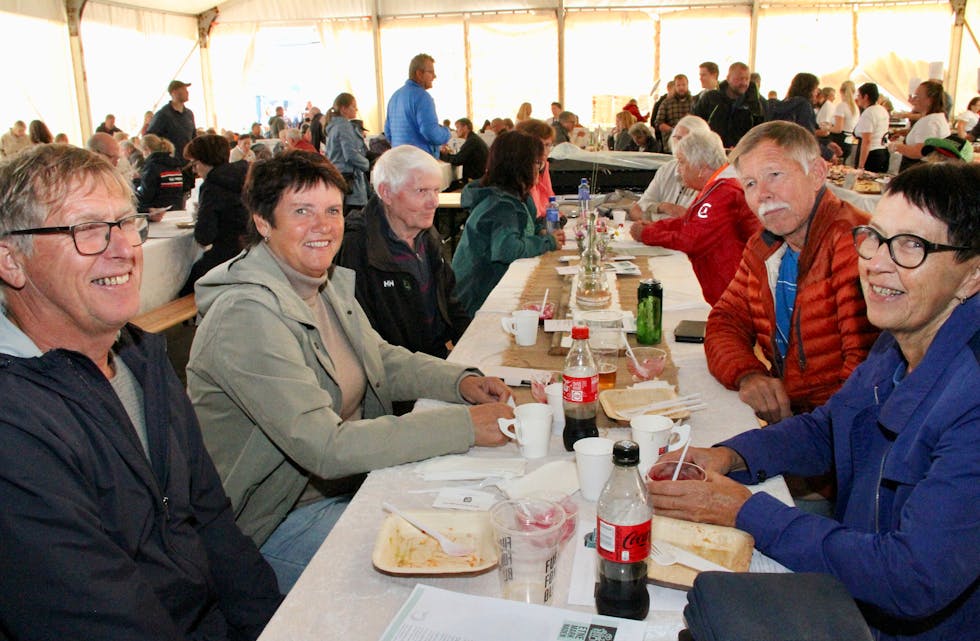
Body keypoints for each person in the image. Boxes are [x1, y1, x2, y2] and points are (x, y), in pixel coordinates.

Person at [649, 162, 980, 641]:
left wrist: (744, 510)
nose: (877, 263)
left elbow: (911, 578)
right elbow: (830, 427)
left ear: (972, 276)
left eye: (913, 245)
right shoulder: (901, 338)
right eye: (875, 237)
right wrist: (730, 456)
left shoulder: (969, 397)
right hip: (852, 583)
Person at [186, 150, 513, 591]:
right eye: (302, 211)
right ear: (263, 223)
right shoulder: (246, 315)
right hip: (275, 521)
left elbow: (381, 359)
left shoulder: (319, 284)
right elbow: (326, 447)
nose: (323, 226)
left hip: (345, 488)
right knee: (447, 574)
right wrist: (465, 426)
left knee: (487, 523)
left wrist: (460, 381)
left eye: (333, 211)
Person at [0, 144, 281, 638]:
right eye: (85, 229)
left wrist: (282, 627)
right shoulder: (15, 425)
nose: (123, 248)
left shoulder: (142, 359)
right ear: (11, 261)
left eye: (125, 222)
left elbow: (214, 526)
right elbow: (102, 618)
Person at [706, 121, 879, 425]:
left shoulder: (853, 243)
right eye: (749, 183)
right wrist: (749, 374)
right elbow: (725, 321)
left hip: (838, 435)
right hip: (798, 422)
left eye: (774, 175)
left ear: (817, 174)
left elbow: (865, 377)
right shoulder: (764, 247)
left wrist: (798, 439)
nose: (762, 195)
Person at [336, 145, 471, 359]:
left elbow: (450, 300)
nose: (433, 202)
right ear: (386, 193)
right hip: (396, 372)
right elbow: (365, 338)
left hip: (436, 357)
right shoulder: (357, 247)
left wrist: (472, 346)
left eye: (436, 190)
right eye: (421, 191)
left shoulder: (425, 233)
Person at [629, 128, 760, 306]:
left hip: (735, 295)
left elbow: (692, 239)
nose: (678, 170)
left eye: (682, 163)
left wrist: (646, 234)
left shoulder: (724, 191)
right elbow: (689, 221)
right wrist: (652, 227)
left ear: (700, 166)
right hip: (731, 289)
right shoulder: (716, 186)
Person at [452, 131, 565, 316]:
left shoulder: (516, 197)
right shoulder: (501, 205)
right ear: (520, 166)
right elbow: (507, 250)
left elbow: (524, 227)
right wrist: (547, 242)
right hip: (477, 302)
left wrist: (541, 231)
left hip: (490, 290)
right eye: (537, 163)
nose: (541, 168)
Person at [180, 134, 249, 295]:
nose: (194, 170)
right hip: (253, 252)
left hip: (229, 256)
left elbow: (204, 236)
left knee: (187, 285)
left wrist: (201, 214)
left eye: (195, 164)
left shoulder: (212, 186)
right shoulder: (246, 175)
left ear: (205, 161)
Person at [629, 115, 707, 221]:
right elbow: (639, 208)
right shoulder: (667, 169)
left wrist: (651, 217)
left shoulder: (706, 176)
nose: (682, 144)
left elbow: (689, 222)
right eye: (678, 138)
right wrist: (664, 207)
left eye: (688, 139)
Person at [384, 53, 451, 157]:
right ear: (419, 74)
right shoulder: (423, 97)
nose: (435, 76)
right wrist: (446, 132)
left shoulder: (394, 97)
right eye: (431, 72)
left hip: (399, 160)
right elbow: (431, 133)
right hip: (419, 163)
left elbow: (388, 133)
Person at [693, 62, 766, 148]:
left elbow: (759, 133)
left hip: (739, 155)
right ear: (728, 78)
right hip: (710, 153)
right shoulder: (711, 98)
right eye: (740, 79)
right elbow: (695, 124)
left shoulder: (753, 105)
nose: (744, 83)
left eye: (747, 79)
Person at [147, 80, 196, 205]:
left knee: (184, 201)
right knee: (173, 204)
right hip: (169, 168)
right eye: (184, 89)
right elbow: (150, 138)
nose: (187, 92)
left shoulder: (189, 114)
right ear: (174, 92)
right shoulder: (163, 115)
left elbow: (193, 138)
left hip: (187, 167)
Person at [324, 92, 371, 214]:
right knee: (354, 219)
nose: (356, 109)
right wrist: (367, 164)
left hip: (338, 176)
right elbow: (350, 154)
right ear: (344, 109)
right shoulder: (344, 126)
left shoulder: (333, 126)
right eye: (353, 106)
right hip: (350, 180)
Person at [892, 80, 950, 172]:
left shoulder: (929, 121)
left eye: (917, 97)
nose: (913, 101)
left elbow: (919, 152)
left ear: (930, 100)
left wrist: (897, 146)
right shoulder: (937, 117)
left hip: (919, 170)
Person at [515, 118, 557, 218]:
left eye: (548, 145)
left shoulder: (543, 165)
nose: (545, 151)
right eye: (540, 145)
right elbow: (535, 211)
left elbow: (549, 197)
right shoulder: (520, 170)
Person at [135, 133, 184, 215]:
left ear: (147, 149)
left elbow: (146, 196)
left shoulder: (152, 167)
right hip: (176, 210)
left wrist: (136, 182)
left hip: (157, 212)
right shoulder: (174, 165)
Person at [440, 117, 489, 190]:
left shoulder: (472, 141)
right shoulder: (473, 139)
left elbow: (457, 160)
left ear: (465, 127)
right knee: (450, 185)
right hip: (478, 177)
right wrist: (447, 155)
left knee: (445, 188)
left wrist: (440, 155)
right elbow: (459, 157)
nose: (456, 131)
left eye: (458, 128)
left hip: (476, 180)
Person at [853, 82, 890, 172]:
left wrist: (861, 166)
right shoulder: (882, 109)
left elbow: (867, 140)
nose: (857, 98)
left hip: (871, 155)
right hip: (882, 152)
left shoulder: (869, 113)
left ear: (865, 96)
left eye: (859, 95)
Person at [653, 73, 695, 152]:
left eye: (683, 85)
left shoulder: (694, 102)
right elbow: (659, 123)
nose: (681, 87)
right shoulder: (666, 103)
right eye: (678, 85)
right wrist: (675, 131)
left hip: (691, 146)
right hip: (671, 146)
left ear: (687, 85)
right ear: (674, 87)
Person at [830, 80, 860, 163]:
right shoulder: (856, 108)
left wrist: (827, 128)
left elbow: (838, 129)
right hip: (848, 140)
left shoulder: (841, 106)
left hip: (839, 140)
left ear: (841, 91)